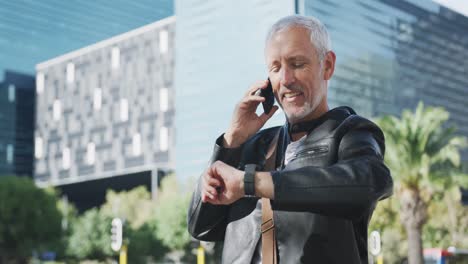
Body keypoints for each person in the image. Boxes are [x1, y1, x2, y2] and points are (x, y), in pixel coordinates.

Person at [187, 15, 393, 264]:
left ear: (327, 65)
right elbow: (202, 227)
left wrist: (251, 183)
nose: (285, 79)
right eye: (275, 68)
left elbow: (371, 181)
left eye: (297, 64)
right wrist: (232, 141)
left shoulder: (351, 131)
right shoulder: (252, 146)